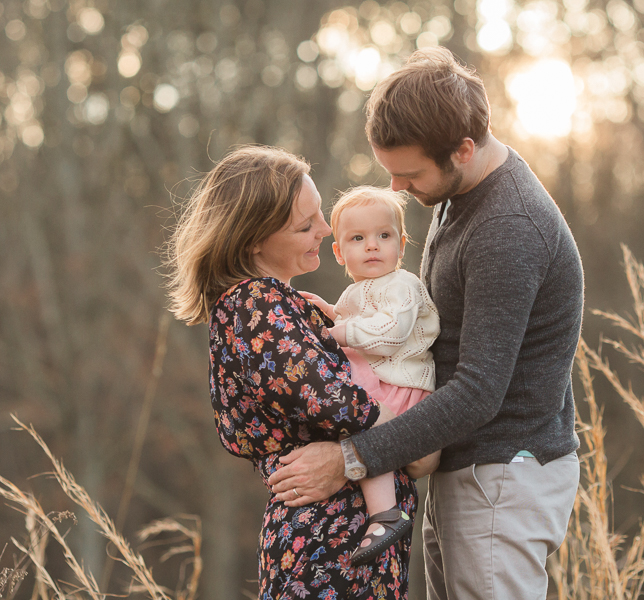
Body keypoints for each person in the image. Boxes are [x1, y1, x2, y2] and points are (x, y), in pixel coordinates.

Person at [268, 47, 584, 600]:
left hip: (503, 476)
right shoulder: (463, 191)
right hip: (467, 468)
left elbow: (479, 393)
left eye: (408, 173)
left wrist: (350, 460)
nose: (396, 189)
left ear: (463, 149)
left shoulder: (507, 227)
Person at [165, 145, 426, 599]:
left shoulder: (285, 304)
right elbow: (332, 400)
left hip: (347, 528)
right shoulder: (255, 304)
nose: (326, 230)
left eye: (320, 215)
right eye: (306, 225)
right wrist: (416, 439)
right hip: (330, 534)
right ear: (254, 240)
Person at [302, 185, 441, 566]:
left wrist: (338, 332)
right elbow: (353, 320)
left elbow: (389, 332)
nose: (372, 246)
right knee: (353, 415)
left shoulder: (404, 286)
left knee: (363, 424)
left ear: (401, 242)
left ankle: (385, 514)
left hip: (404, 387)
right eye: (358, 239)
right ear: (339, 252)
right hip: (384, 383)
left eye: (384, 235)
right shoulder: (355, 291)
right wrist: (331, 313)